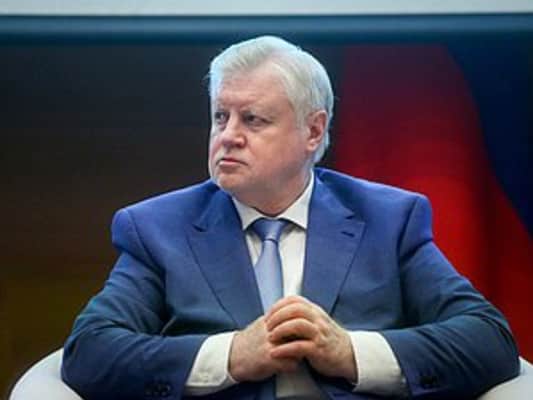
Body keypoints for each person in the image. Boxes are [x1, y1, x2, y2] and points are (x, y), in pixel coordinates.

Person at [61, 36, 519, 400]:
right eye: (220, 116)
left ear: (313, 131)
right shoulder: (158, 229)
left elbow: (488, 341)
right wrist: (231, 356)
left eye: (253, 120)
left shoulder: (389, 220)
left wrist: (350, 352)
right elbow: (90, 352)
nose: (228, 136)